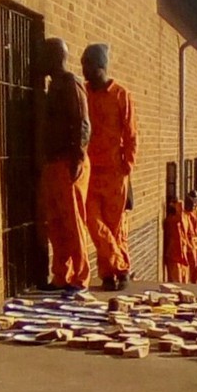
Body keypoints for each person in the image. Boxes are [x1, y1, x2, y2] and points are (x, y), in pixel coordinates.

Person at [81, 43, 138, 291]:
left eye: (88, 65)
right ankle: (121, 265)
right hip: (90, 173)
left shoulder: (121, 95)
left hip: (115, 173)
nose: (84, 71)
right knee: (93, 223)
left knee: (116, 228)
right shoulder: (83, 93)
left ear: (100, 66)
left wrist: (127, 166)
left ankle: (108, 275)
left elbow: (132, 134)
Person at [37, 38, 91, 293]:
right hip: (53, 162)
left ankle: (79, 277)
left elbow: (82, 122)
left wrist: (78, 158)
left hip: (68, 162)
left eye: (44, 55)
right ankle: (61, 275)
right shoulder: (54, 86)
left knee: (72, 221)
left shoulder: (70, 84)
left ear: (55, 57)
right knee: (55, 221)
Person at [163, 199, 189, 283]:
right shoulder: (171, 220)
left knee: (182, 277)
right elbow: (179, 217)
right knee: (176, 280)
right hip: (173, 254)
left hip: (180, 254)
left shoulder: (182, 221)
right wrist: (179, 206)